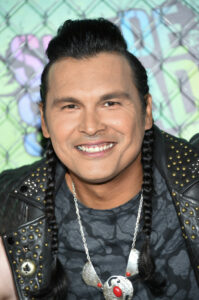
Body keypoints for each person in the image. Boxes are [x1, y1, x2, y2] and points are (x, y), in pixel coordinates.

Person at [0, 18, 199, 300]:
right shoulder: (10, 212)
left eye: (110, 103)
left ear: (146, 112)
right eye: (70, 106)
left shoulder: (194, 179)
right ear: (44, 120)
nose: (91, 126)